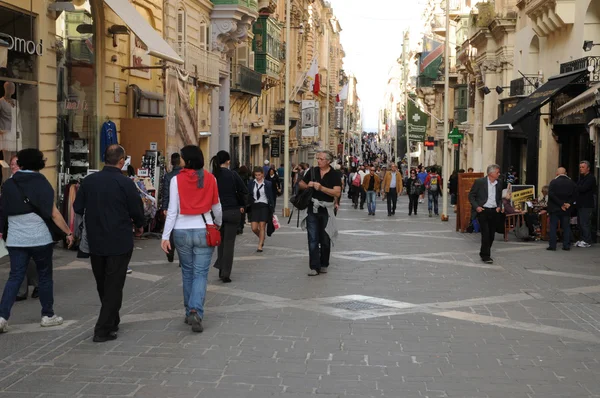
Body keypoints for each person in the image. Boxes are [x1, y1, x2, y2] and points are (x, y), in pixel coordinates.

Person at [73, 145, 145, 342]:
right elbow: (136, 210)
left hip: (96, 240)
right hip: (119, 240)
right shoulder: (125, 183)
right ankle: (102, 329)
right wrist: (139, 225)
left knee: (103, 283)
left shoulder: (88, 182)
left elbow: (77, 206)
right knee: (114, 284)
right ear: (121, 161)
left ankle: (112, 320)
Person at [0, 149, 74, 333]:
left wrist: (3, 232)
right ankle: (48, 315)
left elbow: (3, 211)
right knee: (45, 275)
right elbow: (54, 214)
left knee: (15, 277)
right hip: (40, 238)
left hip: (16, 239)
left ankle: (2, 317)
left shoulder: (9, 184)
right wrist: (68, 232)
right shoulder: (42, 183)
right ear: (38, 163)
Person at [161, 145, 222, 333]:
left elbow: (172, 210)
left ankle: (189, 311)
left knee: (187, 271)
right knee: (201, 273)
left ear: (186, 160)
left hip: (181, 230)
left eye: (181, 157)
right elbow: (217, 206)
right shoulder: (211, 178)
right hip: (204, 228)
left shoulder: (176, 180)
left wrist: (165, 236)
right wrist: (217, 223)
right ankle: (196, 309)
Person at [2, 155, 39, 302]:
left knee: (30, 258)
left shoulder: (33, 181)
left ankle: (37, 284)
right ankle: (22, 290)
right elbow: (3, 206)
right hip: (12, 226)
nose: (13, 166)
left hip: (31, 226)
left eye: (16, 164)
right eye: (11, 164)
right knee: (17, 259)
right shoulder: (8, 183)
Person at [298, 151, 341, 276]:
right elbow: (300, 183)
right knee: (312, 238)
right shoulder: (312, 171)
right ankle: (314, 266)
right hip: (312, 208)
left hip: (326, 210)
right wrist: (307, 186)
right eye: (318, 158)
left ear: (328, 161)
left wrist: (321, 188)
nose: (319, 161)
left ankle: (324, 264)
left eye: (321, 159)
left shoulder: (334, 175)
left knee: (325, 238)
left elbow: (337, 193)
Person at [211, 151, 247, 283]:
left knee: (220, 242)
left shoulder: (213, 175)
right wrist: (241, 204)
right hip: (232, 211)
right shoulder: (233, 174)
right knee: (229, 243)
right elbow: (244, 190)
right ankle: (226, 272)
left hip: (217, 212)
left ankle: (221, 268)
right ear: (227, 161)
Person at [468, 164, 503, 264]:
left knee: (492, 235)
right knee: (486, 233)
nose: (499, 174)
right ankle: (486, 255)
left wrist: (499, 206)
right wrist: (477, 207)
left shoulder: (499, 183)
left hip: (494, 211)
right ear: (491, 173)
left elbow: (499, 197)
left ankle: (484, 252)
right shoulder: (480, 182)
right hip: (483, 211)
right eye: (497, 172)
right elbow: (471, 195)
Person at [547, 167, 577, 251]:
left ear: (557, 173)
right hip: (566, 209)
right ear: (566, 173)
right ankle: (566, 245)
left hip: (555, 208)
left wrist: (561, 204)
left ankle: (552, 246)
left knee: (553, 226)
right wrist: (568, 203)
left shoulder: (553, 182)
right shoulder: (571, 183)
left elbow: (551, 194)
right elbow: (575, 194)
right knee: (566, 227)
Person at [161, 153, 183, 262]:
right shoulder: (184, 175)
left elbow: (165, 193)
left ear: (171, 162)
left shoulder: (168, 176)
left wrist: (164, 207)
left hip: (171, 204)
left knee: (171, 229)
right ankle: (182, 255)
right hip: (183, 205)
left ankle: (170, 251)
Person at [248, 167, 274, 252]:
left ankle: (260, 246)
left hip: (264, 206)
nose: (257, 177)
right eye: (256, 175)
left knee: (262, 226)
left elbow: (271, 196)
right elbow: (249, 194)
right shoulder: (251, 183)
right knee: (254, 228)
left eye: (259, 175)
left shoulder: (268, 183)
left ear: (262, 174)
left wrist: (272, 208)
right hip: (254, 206)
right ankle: (262, 237)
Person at [575, 160, 596, 248]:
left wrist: (576, 187)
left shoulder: (591, 178)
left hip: (587, 205)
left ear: (588, 168)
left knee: (585, 223)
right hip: (581, 204)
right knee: (580, 222)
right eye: (580, 167)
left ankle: (587, 240)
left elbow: (583, 188)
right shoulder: (582, 178)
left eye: (583, 167)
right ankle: (583, 239)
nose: (581, 169)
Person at [236, 165, 251, 235]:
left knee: (239, 212)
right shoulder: (247, 177)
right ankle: (241, 227)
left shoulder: (237, 176)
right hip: (244, 197)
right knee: (243, 213)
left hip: (238, 196)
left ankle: (238, 227)